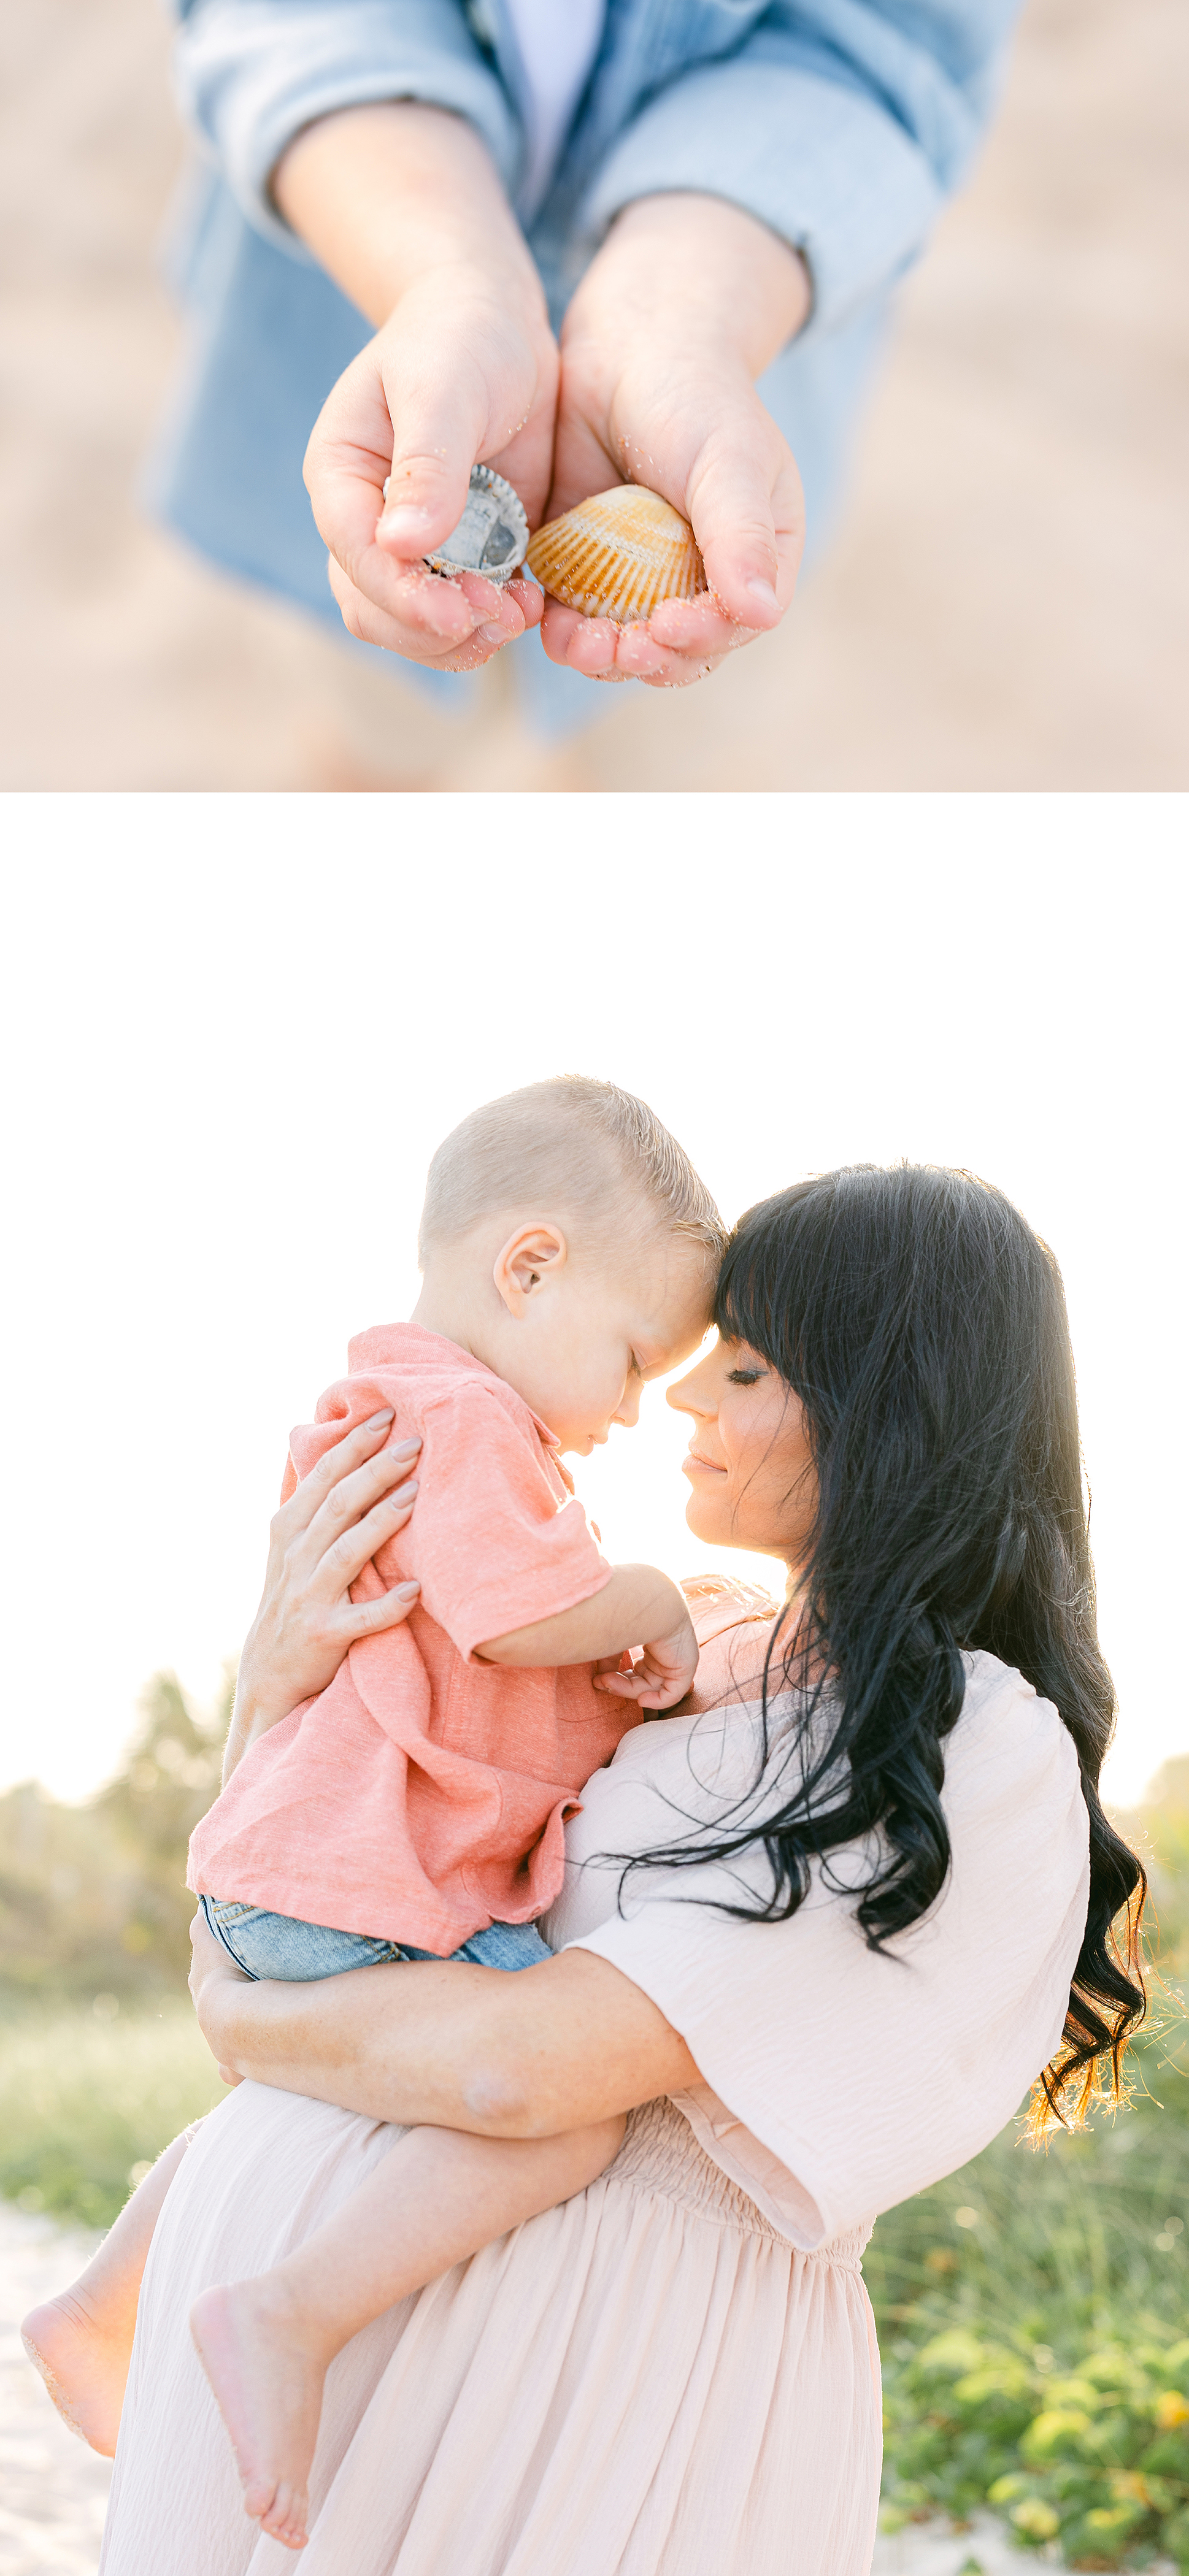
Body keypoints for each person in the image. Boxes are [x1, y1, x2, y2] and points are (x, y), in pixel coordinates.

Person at [69, 1170, 1155, 2575]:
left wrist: (231, 2009)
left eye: (748, 1367)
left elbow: (516, 2068)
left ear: (901, 1411)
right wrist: (269, 1696)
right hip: (296, 2399)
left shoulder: (961, 1739)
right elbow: (346, 1914)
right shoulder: (656, 1657)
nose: (685, 1404)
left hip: (594, 2405)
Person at [24, 1074, 726, 2545]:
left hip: (300, 1871)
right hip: (349, 1886)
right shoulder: (460, 1418)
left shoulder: (435, 1415)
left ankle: (105, 2304)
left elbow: (483, 1675)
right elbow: (512, 1618)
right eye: (635, 1360)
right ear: (529, 1266)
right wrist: (654, 1595)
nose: (632, 1412)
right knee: (563, 2126)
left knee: (303, 2087)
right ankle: (287, 2315)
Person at [154, 0, 1027, 739]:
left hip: (723, 412)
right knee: (371, 719)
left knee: (655, 752)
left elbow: (885, 44)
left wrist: (679, 315)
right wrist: (442, 276)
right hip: (370, 378)